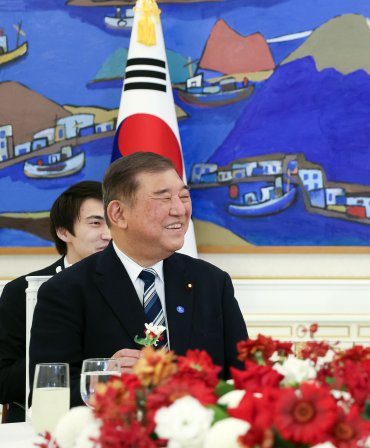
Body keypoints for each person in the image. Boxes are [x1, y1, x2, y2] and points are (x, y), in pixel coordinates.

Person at [29, 152, 248, 408]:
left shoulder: (212, 283)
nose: (179, 210)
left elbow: (242, 378)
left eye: (183, 197)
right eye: (164, 198)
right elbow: (47, 394)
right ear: (118, 214)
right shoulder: (66, 290)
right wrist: (104, 379)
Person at [0, 181, 110, 422]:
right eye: (95, 223)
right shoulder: (23, 291)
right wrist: (64, 355)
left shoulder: (136, 285)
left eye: (112, 222)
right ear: (63, 232)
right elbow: (3, 382)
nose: (108, 234)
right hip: (40, 424)